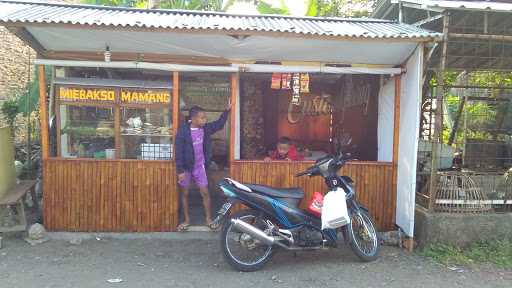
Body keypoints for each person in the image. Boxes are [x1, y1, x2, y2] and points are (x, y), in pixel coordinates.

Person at [175, 104, 230, 231]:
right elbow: (178, 152)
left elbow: (219, 124)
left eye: (205, 118)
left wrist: (226, 110)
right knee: (185, 193)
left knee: (205, 193)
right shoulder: (183, 132)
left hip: (200, 167)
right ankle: (187, 220)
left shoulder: (205, 128)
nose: (205, 120)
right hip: (186, 168)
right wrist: (180, 171)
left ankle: (208, 219)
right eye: (202, 118)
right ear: (193, 119)